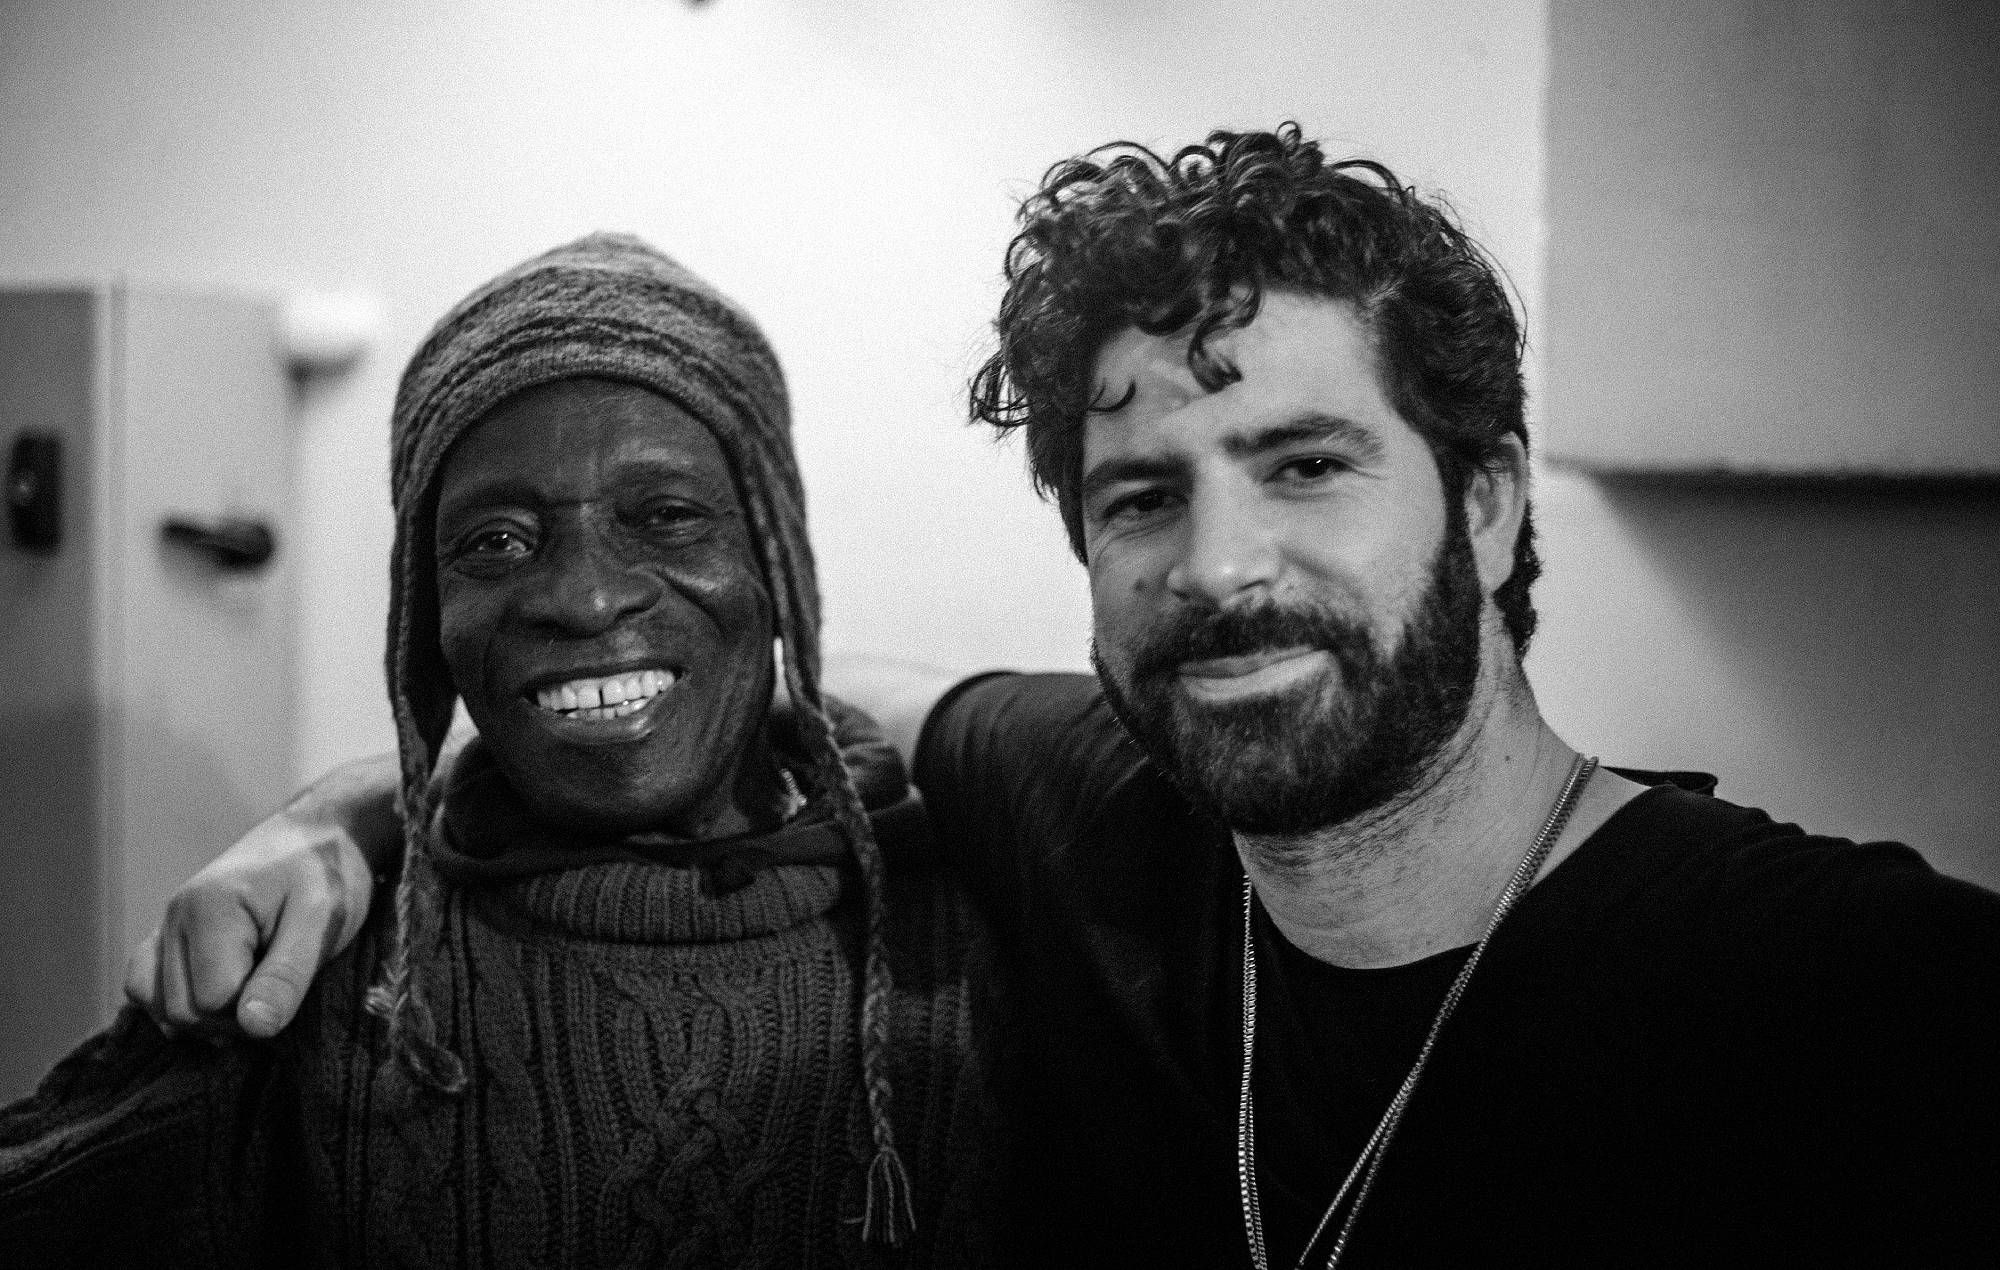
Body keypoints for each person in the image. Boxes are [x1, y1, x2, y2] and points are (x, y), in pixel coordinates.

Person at [128, 127, 2000, 1267]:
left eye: (1308, 464)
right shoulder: (1086, 821)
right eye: (1140, 496)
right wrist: (339, 814)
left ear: (1489, 494)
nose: (1219, 567)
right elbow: (738, 683)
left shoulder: (1838, 997)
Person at [1, 234, 997, 1267]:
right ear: (427, 616)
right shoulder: (313, 975)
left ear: (776, 558)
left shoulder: (990, 945)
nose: (584, 596)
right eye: (497, 540)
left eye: (665, 516)